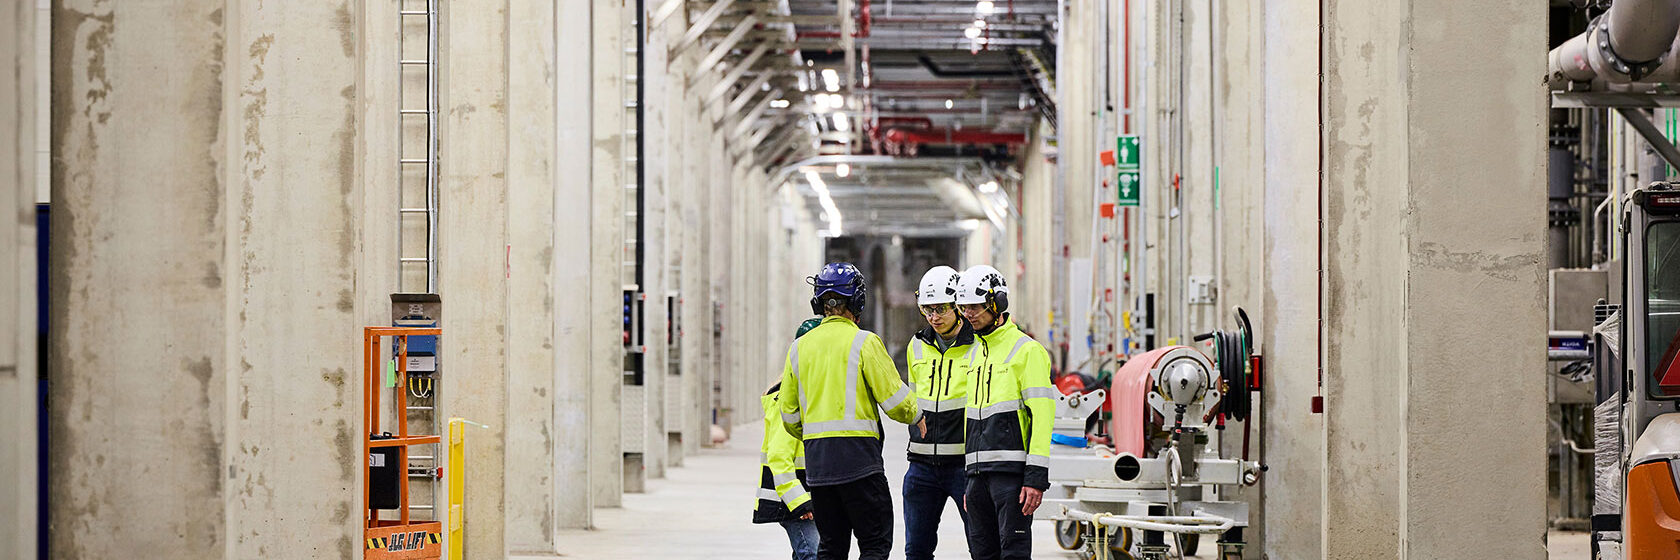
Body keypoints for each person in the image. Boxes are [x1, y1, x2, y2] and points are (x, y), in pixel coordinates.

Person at [778, 262, 926, 560]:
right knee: (874, 543)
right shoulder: (864, 342)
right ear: (858, 300)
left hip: (819, 467)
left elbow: (789, 415)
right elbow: (895, 401)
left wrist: (814, 435)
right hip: (860, 464)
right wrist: (917, 415)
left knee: (831, 547)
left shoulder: (799, 347)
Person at [955, 265, 1056, 560]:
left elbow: (1043, 415)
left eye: (975, 306)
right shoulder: (973, 353)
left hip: (1011, 477)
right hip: (977, 478)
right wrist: (969, 477)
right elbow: (972, 421)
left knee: (1013, 554)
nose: (968, 314)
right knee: (981, 554)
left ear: (996, 303)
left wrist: (1035, 477)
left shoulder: (1027, 351)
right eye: (964, 308)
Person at [902, 265, 976, 560]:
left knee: (981, 546)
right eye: (927, 310)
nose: (934, 317)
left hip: (965, 466)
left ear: (958, 306)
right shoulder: (916, 346)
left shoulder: (978, 346)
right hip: (921, 466)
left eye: (941, 309)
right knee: (916, 550)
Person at [752, 318, 825, 560]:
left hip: (808, 498)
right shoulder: (788, 397)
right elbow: (779, 457)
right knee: (812, 555)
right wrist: (799, 502)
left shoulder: (814, 393)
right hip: (794, 501)